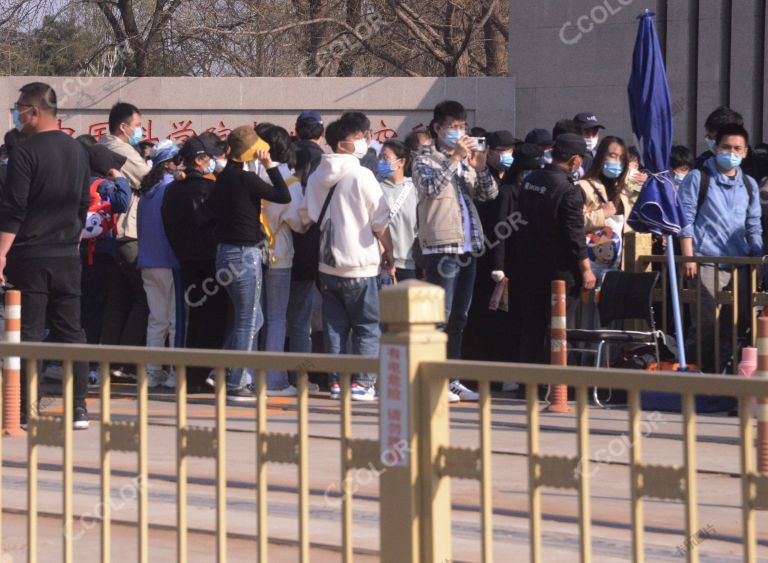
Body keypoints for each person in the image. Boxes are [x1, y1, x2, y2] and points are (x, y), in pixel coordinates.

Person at [0, 82, 92, 429]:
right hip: (67, 255)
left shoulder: (25, 152)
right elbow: (84, 203)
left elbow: (14, 208)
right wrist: (71, 237)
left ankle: (25, 408)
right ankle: (79, 407)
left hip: (30, 255)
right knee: (72, 331)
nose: (17, 112)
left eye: (20, 107)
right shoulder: (77, 150)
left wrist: (1, 253)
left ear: (35, 111)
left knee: (29, 333)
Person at [300, 116, 395, 401]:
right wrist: (389, 251)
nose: (366, 140)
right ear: (346, 143)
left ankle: (337, 382)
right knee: (367, 325)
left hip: (327, 264)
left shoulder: (318, 174)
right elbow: (380, 220)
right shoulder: (362, 175)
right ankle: (364, 383)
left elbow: (306, 215)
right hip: (360, 264)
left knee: (335, 328)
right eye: (361, 135)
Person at [412, 100, 499, 403]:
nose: (459, 132)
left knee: (460, 317)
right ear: (437, 129)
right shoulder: (424, 159)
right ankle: (434, 378)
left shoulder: (465, 163)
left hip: (468, 248)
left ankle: (452, 378)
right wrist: (454, 159)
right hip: (441, 248)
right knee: (440, 317)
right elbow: (431, 189)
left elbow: (489, 195)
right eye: (453, 127)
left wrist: (481, 167)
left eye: (463, 127)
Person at [211, 126, 291, 401]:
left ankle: (219, 370)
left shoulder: (222, 178)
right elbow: (283, 195)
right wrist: (269, 165)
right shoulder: (245, 179)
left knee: (254, 318)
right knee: (248, 319)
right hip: (245, 255)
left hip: (224, 253)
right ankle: (236, 384)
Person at [680, 123, 763, 373]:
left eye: (737, 148)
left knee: (736, 325)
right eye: (726, 147)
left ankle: (724, 378)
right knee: (705, 325)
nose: (732, 152)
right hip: (705, 262)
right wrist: (689, 257)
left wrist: (757, 262)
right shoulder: (698, 178)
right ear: (715, 148)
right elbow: (685, 219)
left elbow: (753, 226)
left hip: (740, 265)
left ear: (746, 152)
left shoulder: (749, 184)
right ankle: (700, 377)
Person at [516, 133, 597, 365]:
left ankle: (529, 384)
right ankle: (555, 383)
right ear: (575, 160)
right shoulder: (568, 189)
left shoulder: (532, 179)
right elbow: (574, 234)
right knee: (558, 327)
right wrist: (586, 269)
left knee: (532, 325)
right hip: (559, 271)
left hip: (529, 265)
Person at [161, 135, 226, 390]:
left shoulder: (172, 190)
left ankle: (191, 376)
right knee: (214, 319)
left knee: (194, 318)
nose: (213, 162)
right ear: (199, 160)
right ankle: (203, 374)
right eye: (209, 158)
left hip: (185, 260)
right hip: (211, 261)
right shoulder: (211, 189)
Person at [99, 102, 151, 377]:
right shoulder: (120, 150)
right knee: (144, 297)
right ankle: (125, 361)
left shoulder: (102, 145)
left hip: (108, 234)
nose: (138, 130)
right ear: (124, 126)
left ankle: (108, 362)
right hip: (126, 232)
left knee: (118, 299)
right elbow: (147, 177)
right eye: (137, 125)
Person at [489, 143, 544, 377]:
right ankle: (507, 371)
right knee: (508, 320)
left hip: (531, 262)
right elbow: (499, 232)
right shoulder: (508, 192)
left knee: (527, 319)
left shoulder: (538, 192)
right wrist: (498, 266)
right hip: (511, 264)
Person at [259, 125, 305, 396]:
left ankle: (248, 375)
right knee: (276, 317)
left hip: (252, 254)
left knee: (252, 317)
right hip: (280, 254)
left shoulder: (250, 174)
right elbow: (298, 224)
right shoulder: (288, 180)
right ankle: (274, 380)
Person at [574, 136, 632, 341]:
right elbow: (574, 223)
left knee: (611, 322)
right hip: (588, 269)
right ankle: (583, 360)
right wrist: (602, 214)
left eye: (621, 159)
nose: (616, 162)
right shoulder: (583, 186)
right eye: (612, 156)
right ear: (601, 157)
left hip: (615, 271)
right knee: (587, 319)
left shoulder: (625, 191)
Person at [137, 140, 181, 389]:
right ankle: (174, 372)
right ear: (171, 163)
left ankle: (152, 372)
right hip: (170, 261)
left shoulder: (147, 191)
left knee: (157, 319)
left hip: (147, 261)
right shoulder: (172, 188)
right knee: (175, 320)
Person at [287, 111, 325, 373]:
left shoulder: (286, 154)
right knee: (305, 315)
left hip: (281, 245)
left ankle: (280, 370)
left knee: (279, 315)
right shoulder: (322, 160)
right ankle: (302, 372)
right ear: (321, 133)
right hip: (313, 244)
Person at [378, 139, 418, 281]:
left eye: (385, 158)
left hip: (411, 265)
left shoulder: (415, 189)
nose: (381, 162)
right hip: (382, 265)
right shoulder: (375, 188)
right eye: (380, 157)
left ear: (401, 162)